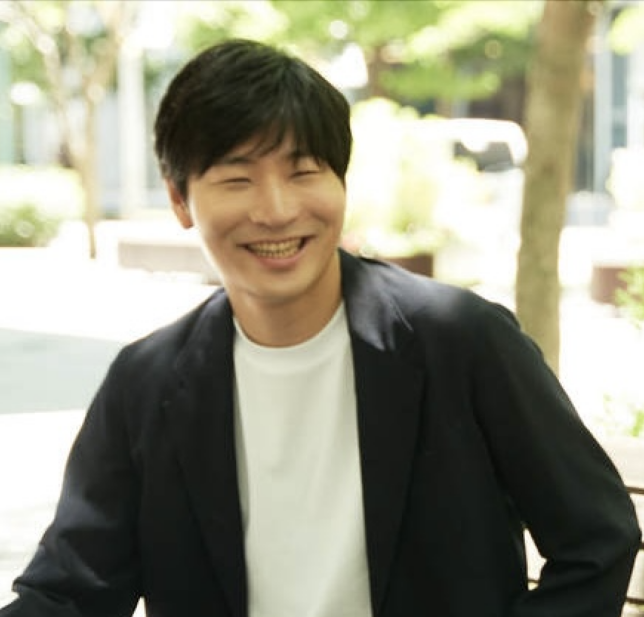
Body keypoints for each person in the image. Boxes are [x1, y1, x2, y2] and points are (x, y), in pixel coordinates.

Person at [0, 38, 640, 617]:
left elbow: (597, 537)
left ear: (340, 181)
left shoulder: (461, 342)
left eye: (304, 172)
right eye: (236, 179)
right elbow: (70, 590)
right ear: (178, 199)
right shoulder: (148, 383)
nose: (276, 210)